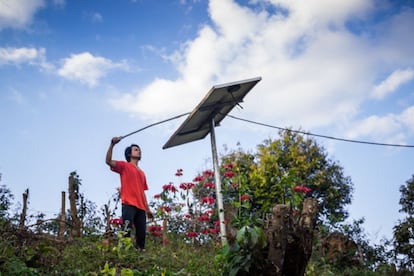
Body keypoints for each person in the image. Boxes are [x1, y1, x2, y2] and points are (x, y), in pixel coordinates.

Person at [105, 136, 153, 250]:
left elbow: (142, 192)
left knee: (141, 236)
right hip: (128, 204)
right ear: (129, 154)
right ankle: (122, 256)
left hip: (141, 208)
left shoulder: (142, 173)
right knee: (125, 231)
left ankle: (140, 257)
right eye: (136, 149)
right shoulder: (124, 166)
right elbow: (108, 161)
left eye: (139, 149)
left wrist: (148, 209)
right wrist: (112, 144)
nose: (139, 151)